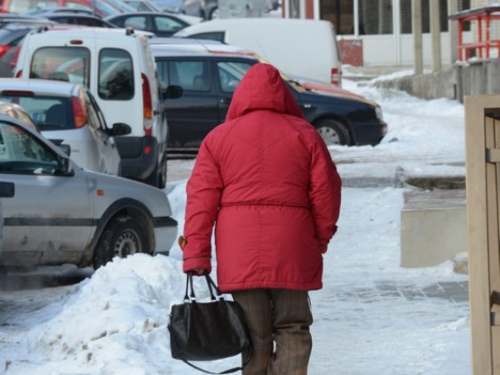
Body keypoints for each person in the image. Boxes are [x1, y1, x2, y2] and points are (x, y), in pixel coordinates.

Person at [180, 62, 342, 375]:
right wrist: (319, 238)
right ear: (283, 96)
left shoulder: (218, 138)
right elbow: (328, 191)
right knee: (293, 328)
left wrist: (196, 253)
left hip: (239, 251)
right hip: (292, 246)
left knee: (253, 337)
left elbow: (201, 199)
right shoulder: (306, 135)